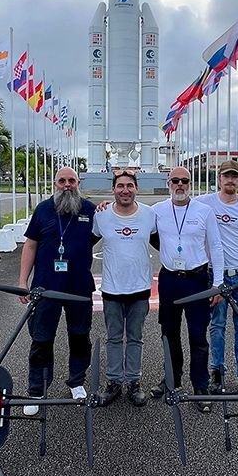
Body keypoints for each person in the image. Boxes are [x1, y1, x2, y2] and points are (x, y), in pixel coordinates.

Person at [17, 166, 96, 416]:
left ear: (78, 183)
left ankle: (76, 381)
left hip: (78, 287)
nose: (67, 185)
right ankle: (37, 391)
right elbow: (30, 245)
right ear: (55, 184)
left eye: (72, 180)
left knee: (80, 336)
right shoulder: (43, 209)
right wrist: (22, 281)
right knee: (41, 339)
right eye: (62, 181)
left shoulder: (90, 210)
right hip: (46, 287)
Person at [151, 166, 224, 412]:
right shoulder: (157, 210)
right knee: (169, 333)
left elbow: (216, 246)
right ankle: (172, 379)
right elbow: (133, 217)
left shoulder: (204, 211)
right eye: (175, 180)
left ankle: (200, 386)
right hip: (170, 279)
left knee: (198, 335)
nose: (180, 184)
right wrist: (105, 207)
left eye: (184, 180)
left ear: (190, 184)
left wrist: (217, 284)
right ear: (168, 183)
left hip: (197, 279)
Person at [198, 160, 238, 392]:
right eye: (226, 176)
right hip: (216, 276)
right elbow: (177, 204)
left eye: (234, 177)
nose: (230, 180)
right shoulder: (205, 203)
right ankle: (217, 371)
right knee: (217, 325)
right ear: (219, 179)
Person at [92, 170, 156, 407]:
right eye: (120, 186)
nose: (125, 190)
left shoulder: (149, 215)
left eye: (130, 185)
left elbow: (166, 241)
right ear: (113, 190)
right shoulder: (101, 215)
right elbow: (86, 241)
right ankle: (114, 382)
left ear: (136, 189)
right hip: (112, 289)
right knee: (114, 338)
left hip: (139, 288)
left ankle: (134, 382)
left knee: (136, 338)